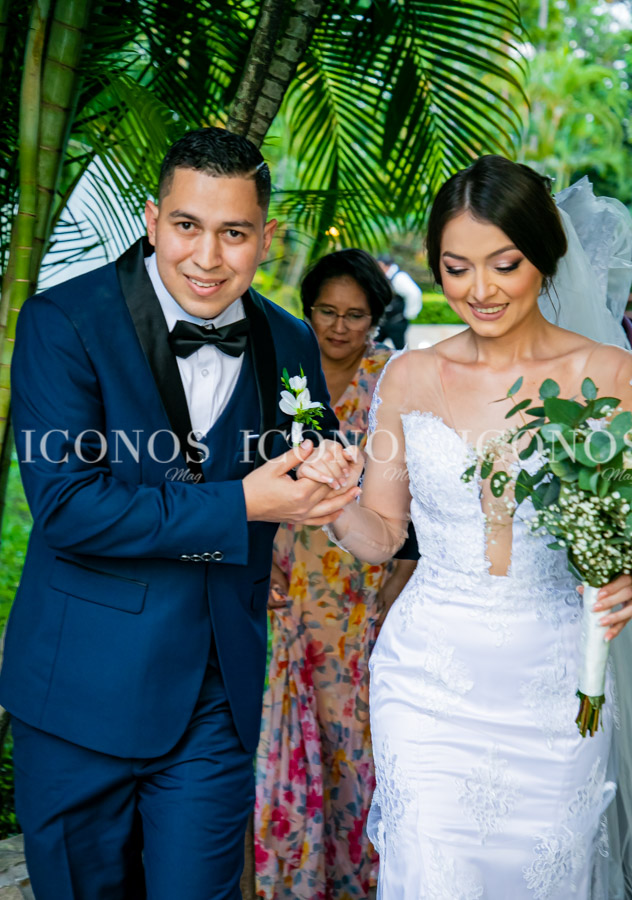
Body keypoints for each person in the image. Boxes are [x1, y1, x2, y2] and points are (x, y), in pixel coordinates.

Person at [1, 128, 360, 900]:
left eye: (233, 233)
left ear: (265, 237)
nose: (207, 257)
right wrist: (243, 503)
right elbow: (69, 507)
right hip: (79, 694)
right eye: (187, 226)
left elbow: (315, 443)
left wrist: (331, 467)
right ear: (152, 219)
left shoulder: (290, 340)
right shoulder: (63, 322)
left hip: (214, 693)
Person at [310, 156, 632, 898]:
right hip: (427, 681)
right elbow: (382, 534)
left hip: (557, 684)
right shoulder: (409, 376)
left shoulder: (606, 375)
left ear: (545, 256)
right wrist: (329, 502)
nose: (479, 289)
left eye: (504, 264)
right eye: (456, 267)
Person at [254, 249, 417, 899]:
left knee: (354, 742)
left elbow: (415, 499)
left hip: (360, 590)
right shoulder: (279, 370)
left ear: (376, 319)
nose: (339, 326)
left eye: (355, 315)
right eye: (326, 311)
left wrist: (397, 590)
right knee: (278, 737)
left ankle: (356, 882)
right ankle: (289, 879)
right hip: (280, 578)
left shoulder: (393, 383)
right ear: (308, 310)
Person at [376, 256, 422, 349]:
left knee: (400, 349)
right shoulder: (385, 277)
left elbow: (414, 294)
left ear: (386, 265)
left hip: (397, 321)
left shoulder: (399, 277)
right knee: (373, 346)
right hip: (384, 322)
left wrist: (408, 314)